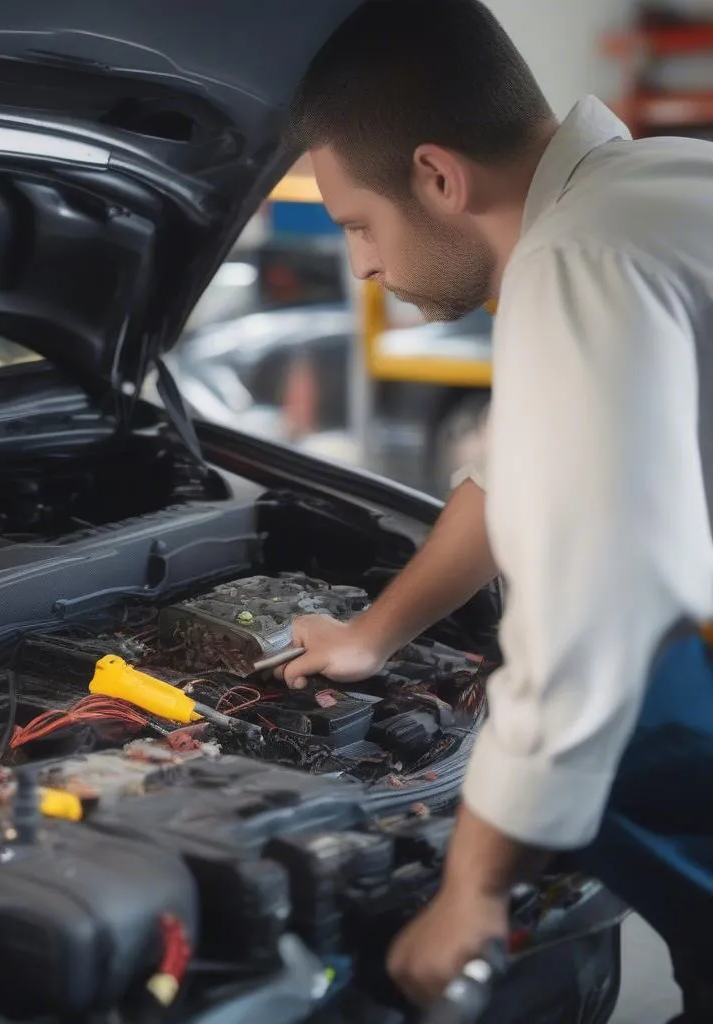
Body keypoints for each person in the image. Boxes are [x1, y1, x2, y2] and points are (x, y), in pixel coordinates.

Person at [283, 2, 713, 1021]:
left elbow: (597, 609)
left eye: (357, 224)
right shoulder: (653, 192)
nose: (362, 265)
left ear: (437, 176)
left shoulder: (579, 260)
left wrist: (471, 883)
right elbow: (536, 473)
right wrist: (369, 635)